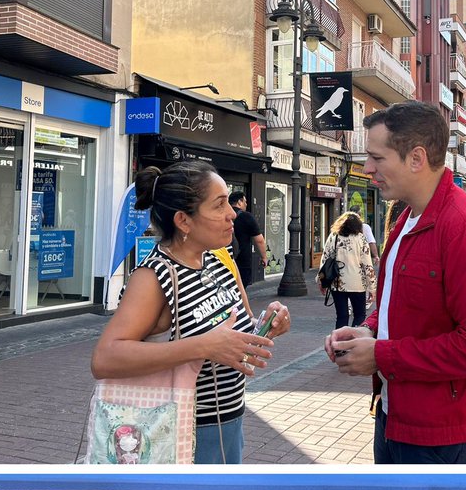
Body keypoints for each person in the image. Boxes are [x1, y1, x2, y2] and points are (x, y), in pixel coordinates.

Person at [325, 101, 466, 464]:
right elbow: (399, 304)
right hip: (396, 416)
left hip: (448, 431)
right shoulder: (407, 219)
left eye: (377, 159)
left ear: (416, 158)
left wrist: (381, 354)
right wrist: (368, 330)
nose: (367, 169)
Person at [90, 161, 291, 464]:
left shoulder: (216, 261)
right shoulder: (155, 275)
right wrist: (204, 346)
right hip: (183, 430)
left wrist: (266, 324)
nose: (232, 214)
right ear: (184, 221)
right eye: (219, 205)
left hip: (230, 421)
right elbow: (105, 358)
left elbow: (235, 330)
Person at [319, 211, 374, 329]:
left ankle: (339, 345)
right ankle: (353, 342)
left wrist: (321, 281)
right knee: (359, 315)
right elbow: (367, 265)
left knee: (342, 316)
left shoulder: (333, 237)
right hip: (357, 284)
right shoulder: (361, 238)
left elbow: (325, 259)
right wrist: (372, 288)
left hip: (337, 282)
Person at [228, 190, 266, 289]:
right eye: (245, 201)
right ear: (239, 202)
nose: (246, 204)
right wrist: (264, 257)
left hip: (224, 259)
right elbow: (259, 240)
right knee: (240, 291)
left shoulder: (222, 215)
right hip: (242, 261)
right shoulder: (246, 216)